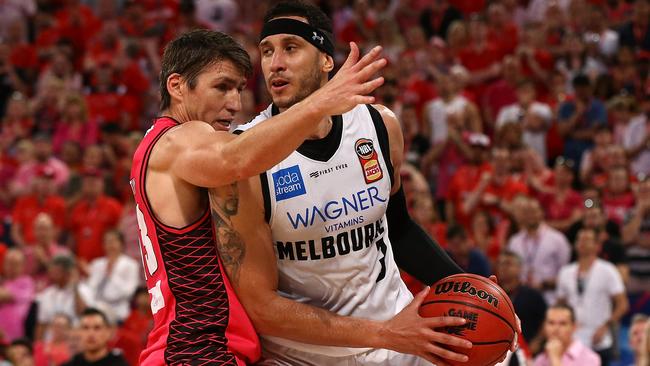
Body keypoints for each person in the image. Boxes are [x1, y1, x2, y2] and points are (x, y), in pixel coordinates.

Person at [214, 1, 515, 365]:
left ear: (327, 60)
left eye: (290, 48)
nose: (274, 63)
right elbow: (262, 308)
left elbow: (399, 228)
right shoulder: (244, 159)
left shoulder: (378, 125)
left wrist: (473, 291)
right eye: (266, 51)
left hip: (399, 335)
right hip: (306, 356)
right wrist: (386, 333)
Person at [130, 28, 387, 365]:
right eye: (221, 87)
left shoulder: (157, 144)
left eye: (238, 89)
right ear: (177, 86)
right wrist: (320, 102)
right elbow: (235, 158)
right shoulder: (180, 139)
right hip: (199, 352)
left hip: (198, 349)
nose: (235, 104)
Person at [556, 228, 629, 365]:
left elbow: (622, 304)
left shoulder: (608, 270)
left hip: (599, 337)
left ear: (597, 246)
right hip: (572, 337)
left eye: (587, 240)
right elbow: (559, 305)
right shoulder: (565, 272)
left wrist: (606, 326)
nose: (582, 243)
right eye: (579, 239)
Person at [533, 304, 601, 366]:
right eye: (551, 323)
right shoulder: (540, 359)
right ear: (544, 327)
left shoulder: (590, 358)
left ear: (574, 327)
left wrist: (555, 359)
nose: (556, 329)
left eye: (563, 323)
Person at [61, 308, 128, 366]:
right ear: (79, 332)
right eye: (85, 328)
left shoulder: (119, 363)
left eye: (97, 328)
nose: (91, 334)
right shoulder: (72, 363)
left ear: (108, 333)